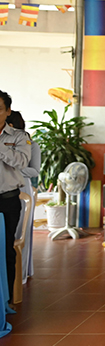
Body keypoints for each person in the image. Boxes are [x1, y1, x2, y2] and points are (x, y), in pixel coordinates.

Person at [0, 91, 31, 302]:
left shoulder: (19, 137)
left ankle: (7, 298)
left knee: (5, 248)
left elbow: (21, 162)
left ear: (8, 111)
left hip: (7, 200)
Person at [6, 110, 40, 283]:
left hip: (22, 187)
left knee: (21, 232)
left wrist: (15, 168)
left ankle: (21, 275)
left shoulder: (31, 145)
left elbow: (34, 171)